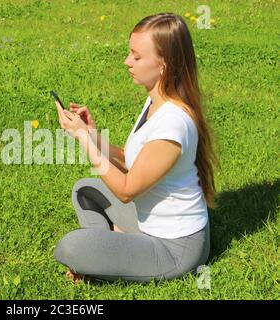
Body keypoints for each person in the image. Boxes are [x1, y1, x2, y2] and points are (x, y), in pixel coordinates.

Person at [53, 13, 220, 284]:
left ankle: (103, 254)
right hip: (147, 222)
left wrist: (84, 140)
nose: (127, 62)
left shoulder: (173, 124)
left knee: (70, 248)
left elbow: (127, 190)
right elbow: (134, 161)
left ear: (164, 64)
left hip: (173, 248)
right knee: (85, 189)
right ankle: (110, 250)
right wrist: (93, 136)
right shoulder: (156, 101)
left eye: (136, 56)